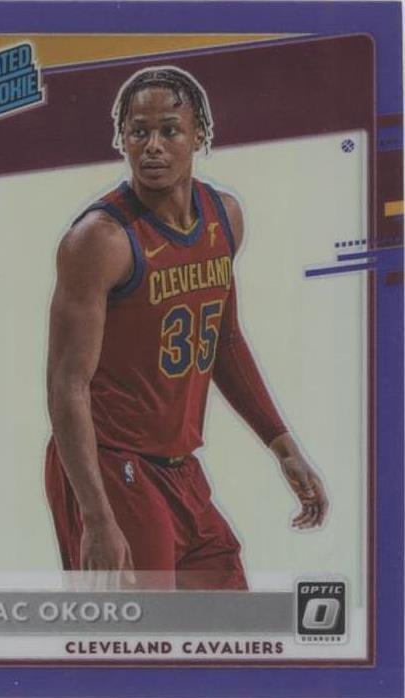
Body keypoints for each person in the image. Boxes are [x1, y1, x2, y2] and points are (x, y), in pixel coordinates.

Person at [45, 66, 328, 590]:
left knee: (234, 620)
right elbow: (67, 386)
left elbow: (225, 341)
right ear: (122, 139)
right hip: (110, 464)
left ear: (200, 135)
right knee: (141, 635)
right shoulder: (100, 240)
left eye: (169, 130)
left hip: (181, 470)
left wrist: (282, 445)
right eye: (138, 131)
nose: (152, 145)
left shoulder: (224, 217)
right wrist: (97, 515)